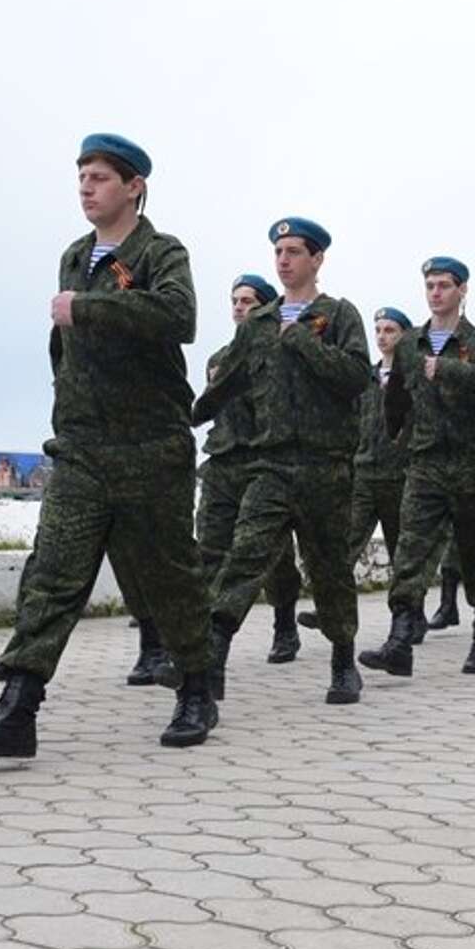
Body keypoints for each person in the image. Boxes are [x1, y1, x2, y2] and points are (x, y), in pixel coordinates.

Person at [0, 134, 219, 756]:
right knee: (55, 575)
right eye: (81, 178)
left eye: (99, 177)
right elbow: (64, 346)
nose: (86, 188)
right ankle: (18, 711)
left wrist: (88, 309)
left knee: (169, 573)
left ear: (133, 187)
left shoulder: (160, 251)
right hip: (82, 446)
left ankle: (197, 687)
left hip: (150, 446)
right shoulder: (75, 255)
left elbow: (181, 318)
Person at [193, 219, 372, 704]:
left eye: (294, 251)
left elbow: (357, 376)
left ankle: (342, 661)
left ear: (316, 259)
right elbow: (226, 380)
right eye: (279, 251)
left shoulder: (338, 315)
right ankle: (210, 661)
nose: (284, 260)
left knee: (330, 568)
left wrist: (303, 342)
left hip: (326, 465)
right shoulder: (258, 323)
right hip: (270, 465)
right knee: (244, 558)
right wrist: (187, 413)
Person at [359, 258, 475, 677]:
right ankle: (399, 641)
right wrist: (398, 437)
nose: (436, 293)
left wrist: (451, 369)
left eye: (444, 285)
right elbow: (396, 401)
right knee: (410, 553)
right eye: (430, 285)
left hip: (474, 467)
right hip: (426, 464)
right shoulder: (410, 343)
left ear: (462, 290)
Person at [189, 273, 307, 673]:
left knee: (272, 555)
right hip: (223, 460)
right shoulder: (218, 359)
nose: (239, 307)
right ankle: (201, 639)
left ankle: (284, 623)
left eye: (249, 301)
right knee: (209, 548)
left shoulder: (280, 356)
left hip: (263, 462)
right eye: (235, 300)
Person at [296, 304, 413, 637]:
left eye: (390, 330)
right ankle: (329, 608)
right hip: (363, 474)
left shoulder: (411, 379)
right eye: (378, 330)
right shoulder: (365, 378)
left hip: (399, 477)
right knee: (344, 544)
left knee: (402, 551)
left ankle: (407, 617)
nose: (382, 337)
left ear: (404, 336)